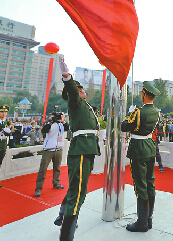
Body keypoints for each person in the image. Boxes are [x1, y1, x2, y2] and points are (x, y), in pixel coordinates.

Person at [54, 57, 101, 241]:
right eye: (78, 89)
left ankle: (62, 215)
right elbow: (72, 91)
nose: (81, 91)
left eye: (81, 89)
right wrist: (66, 76)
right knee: (78, 192)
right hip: (81, 149)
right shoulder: (75, 102)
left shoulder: (87, 107)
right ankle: (66, 236)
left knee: (77, 187)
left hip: (87, 148)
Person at [121, 81, 161, 233]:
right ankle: (148, 219)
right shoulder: (156, 112)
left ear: (144, 95)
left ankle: (142, 222)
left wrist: (129, 114)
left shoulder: (138, 112)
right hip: (150, 147)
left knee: (140, 185)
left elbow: (124, 126)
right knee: (150, 182)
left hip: (138, 148)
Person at [35, 111, 68, 197]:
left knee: (57, 168)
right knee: (43, 169)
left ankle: (56, 183)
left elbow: (68, 128)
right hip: (49, 150)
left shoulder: (62, 125)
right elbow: (44, 130)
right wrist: (51, 121)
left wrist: (63, 120)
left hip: (58, 150)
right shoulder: (49, 124)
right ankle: (38, 188)